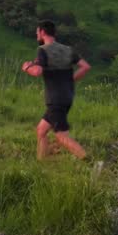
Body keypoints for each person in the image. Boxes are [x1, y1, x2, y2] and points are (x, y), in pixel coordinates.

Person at [21, 20, 91, 160]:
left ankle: (90, 162)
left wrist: (27, 67)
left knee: (61, 137)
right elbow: (85, 67)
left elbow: (37, 72)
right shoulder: (67, 49)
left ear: (42, 32)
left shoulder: (43, 50)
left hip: (55, 99)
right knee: (41, 130)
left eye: (37, 33)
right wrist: (71, 80)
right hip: (67, 96)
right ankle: (41, 164)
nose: (36, 35)